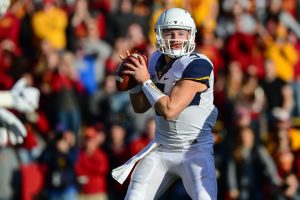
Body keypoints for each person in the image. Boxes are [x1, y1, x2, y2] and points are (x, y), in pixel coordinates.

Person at [112, 7, 218, 200]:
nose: (176, 38)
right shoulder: (154, 61)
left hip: (194, 150)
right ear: (160, 35)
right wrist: (135, 84)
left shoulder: (198, 64)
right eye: (169, 33)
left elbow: (170, 110)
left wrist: (145, 80)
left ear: (191, 35)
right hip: (161, 148)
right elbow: (140, 107)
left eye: (181, 33)